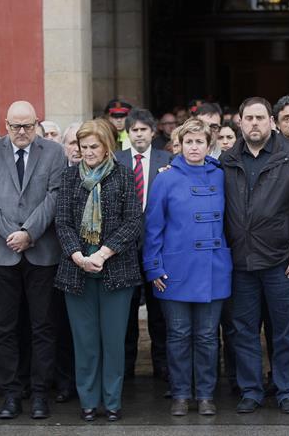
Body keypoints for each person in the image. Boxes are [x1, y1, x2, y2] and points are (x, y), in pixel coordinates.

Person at [220, 96, 289, 415]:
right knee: (244, 330)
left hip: (281, 262)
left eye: (260, 118)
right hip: (240, 262)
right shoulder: (226, 159)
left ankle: (287, 389)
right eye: (248, 118)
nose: (254, 123)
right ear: (239, 121)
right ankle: (251, 389)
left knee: (285, 330)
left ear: (271, 122)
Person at [0, 101, 66, 420]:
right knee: (4, 328)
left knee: (43, 326)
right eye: (16, 126)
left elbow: (56, 195)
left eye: (28, 125)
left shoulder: (54, 152)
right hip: (2, 254)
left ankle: (40, 394)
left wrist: (29, 232)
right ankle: (12, 394)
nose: (22, 132)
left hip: (42, 252)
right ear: (6, 126)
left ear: (37, 123)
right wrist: (10, 233)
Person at [53, 119, 142, 422]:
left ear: (107, 148)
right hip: (77, 270)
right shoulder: (68, 178)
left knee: (113, 341)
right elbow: (62, 222)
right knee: (86, 341)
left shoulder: (124, 176)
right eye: (83, 147)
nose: (88, 152)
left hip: (116, 268)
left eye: (94, 147)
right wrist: (78, 256)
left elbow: (133, 221)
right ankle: (89, 401)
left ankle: (113, 402)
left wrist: (103, 254)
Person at [143, 119, 232, 416]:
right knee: (179, 334)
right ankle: (181, 393)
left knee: (208, 336)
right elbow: (153, 227)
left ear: (210, 145)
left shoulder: (222, 176)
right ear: (179, 144)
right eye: (189, 142)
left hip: (213, 268)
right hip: (175, 269)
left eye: (200, 142)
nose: (195, 147)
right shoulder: (165, 178)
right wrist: (153, 267)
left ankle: (206, 394)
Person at [116, 109, 170, 380]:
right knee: (126, 315)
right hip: (124, 250)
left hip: (157, 248)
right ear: (127, 133)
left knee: (159, 313)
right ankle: (127, 368)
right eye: (134, 130)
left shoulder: (166, 159)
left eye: (143, 130)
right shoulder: (116, 159)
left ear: (153, 132)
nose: (139, 134)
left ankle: (162, 366)